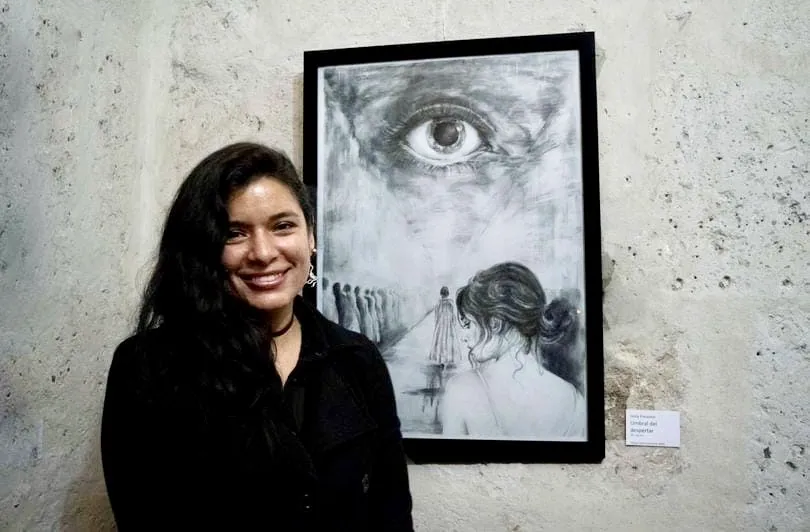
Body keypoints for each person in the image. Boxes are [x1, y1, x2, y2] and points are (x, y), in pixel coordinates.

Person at [100, 143, 413, 531]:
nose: (263, 253)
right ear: (203, 248)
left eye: (283, 226)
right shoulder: (149, 366)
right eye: (234, 233)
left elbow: (392, 514)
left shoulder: (357, 359)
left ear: (311, 236)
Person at [439, 262, 585, 439]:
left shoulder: (461, 390)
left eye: (468, 324)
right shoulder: (573, 400)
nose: (464, 336)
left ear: (495, 323)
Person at [428, 286, 460, 366]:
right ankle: (449, 358)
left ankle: (441, 358)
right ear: (447, 293)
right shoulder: (450, 302)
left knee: (440, 339)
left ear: (441, 293)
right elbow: (453, 313)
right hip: (448, 322)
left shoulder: (439, 302)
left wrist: (436, 322)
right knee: (449, 339)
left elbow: (437, 313)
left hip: (441, 322)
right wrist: (454, 321)